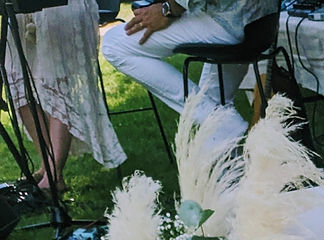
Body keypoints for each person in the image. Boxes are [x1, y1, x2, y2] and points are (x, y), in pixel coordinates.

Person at [101, 0, 276, 145]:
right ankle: (232, 181)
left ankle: (220, 122)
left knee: (114, 44)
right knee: (214, 101)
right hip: (260, 21)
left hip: (228, 18)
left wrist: (167, 9)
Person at [4, 0, 125, 196]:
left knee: (56, 81)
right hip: (18, 11)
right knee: (17, 81)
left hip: (65, 6)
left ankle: (53, 174)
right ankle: (46, 166)